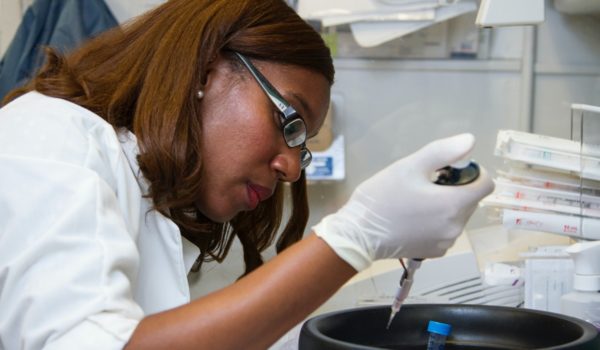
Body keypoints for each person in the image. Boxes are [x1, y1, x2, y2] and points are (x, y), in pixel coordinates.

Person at [0, 0, 494, 349]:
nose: (292, 167)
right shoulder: (49, 139)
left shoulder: (146, 193)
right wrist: (355, 237)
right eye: (290, 122)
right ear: (204, 71)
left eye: (303, 145)